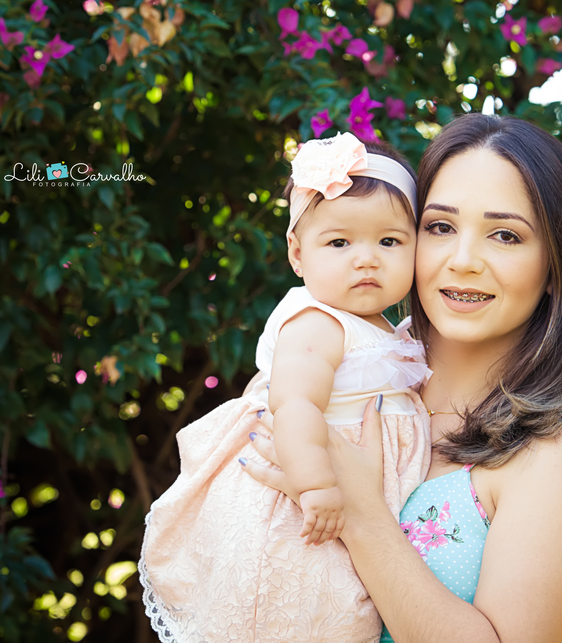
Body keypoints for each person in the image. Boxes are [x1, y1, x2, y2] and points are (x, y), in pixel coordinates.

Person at [242, 113, 562, 642]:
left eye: (506, 235)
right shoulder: (341, 373)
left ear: (556, 265)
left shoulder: (556, 451)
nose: (463, 260)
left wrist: (363, 517)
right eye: (440, 227)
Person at [138, 132, 434, 642]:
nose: (366, 258)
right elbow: (295, 405)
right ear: (298, 254)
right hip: (303, 495)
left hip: (352, 495)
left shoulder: (385, 329)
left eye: (389, 241)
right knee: (293, 602)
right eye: (339, 242)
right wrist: (316, 486)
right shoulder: (318, 324)